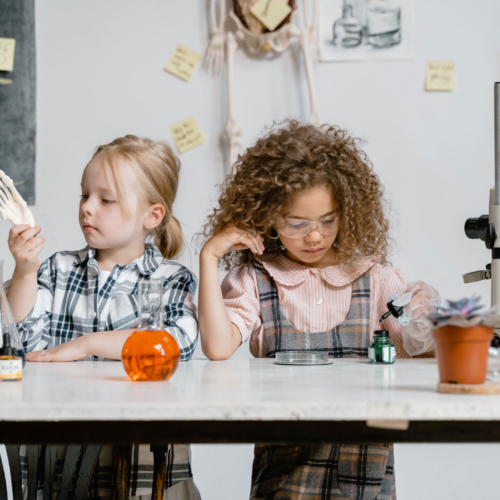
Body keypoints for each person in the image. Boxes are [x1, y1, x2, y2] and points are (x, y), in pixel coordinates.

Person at [198, 120, 439, 499]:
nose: (314, 236)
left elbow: (417, 351)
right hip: (285, 470)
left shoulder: (375, 278)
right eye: (297, 223)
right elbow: (217, 347)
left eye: (328, 221)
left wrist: (429, 318)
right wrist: (210, 256)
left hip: (365, 469)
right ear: (268, 220)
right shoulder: (256, 281)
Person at [7, 135, 201, 499]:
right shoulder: (57, 269)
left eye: (106, 199)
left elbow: (176, 346)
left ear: (152, 215)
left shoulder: (172, 279)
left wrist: (86, 345)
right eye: (84, 195)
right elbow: (20, 341)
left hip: (146, 469)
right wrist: (24, 270)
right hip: (61, 465)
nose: (87, 208)